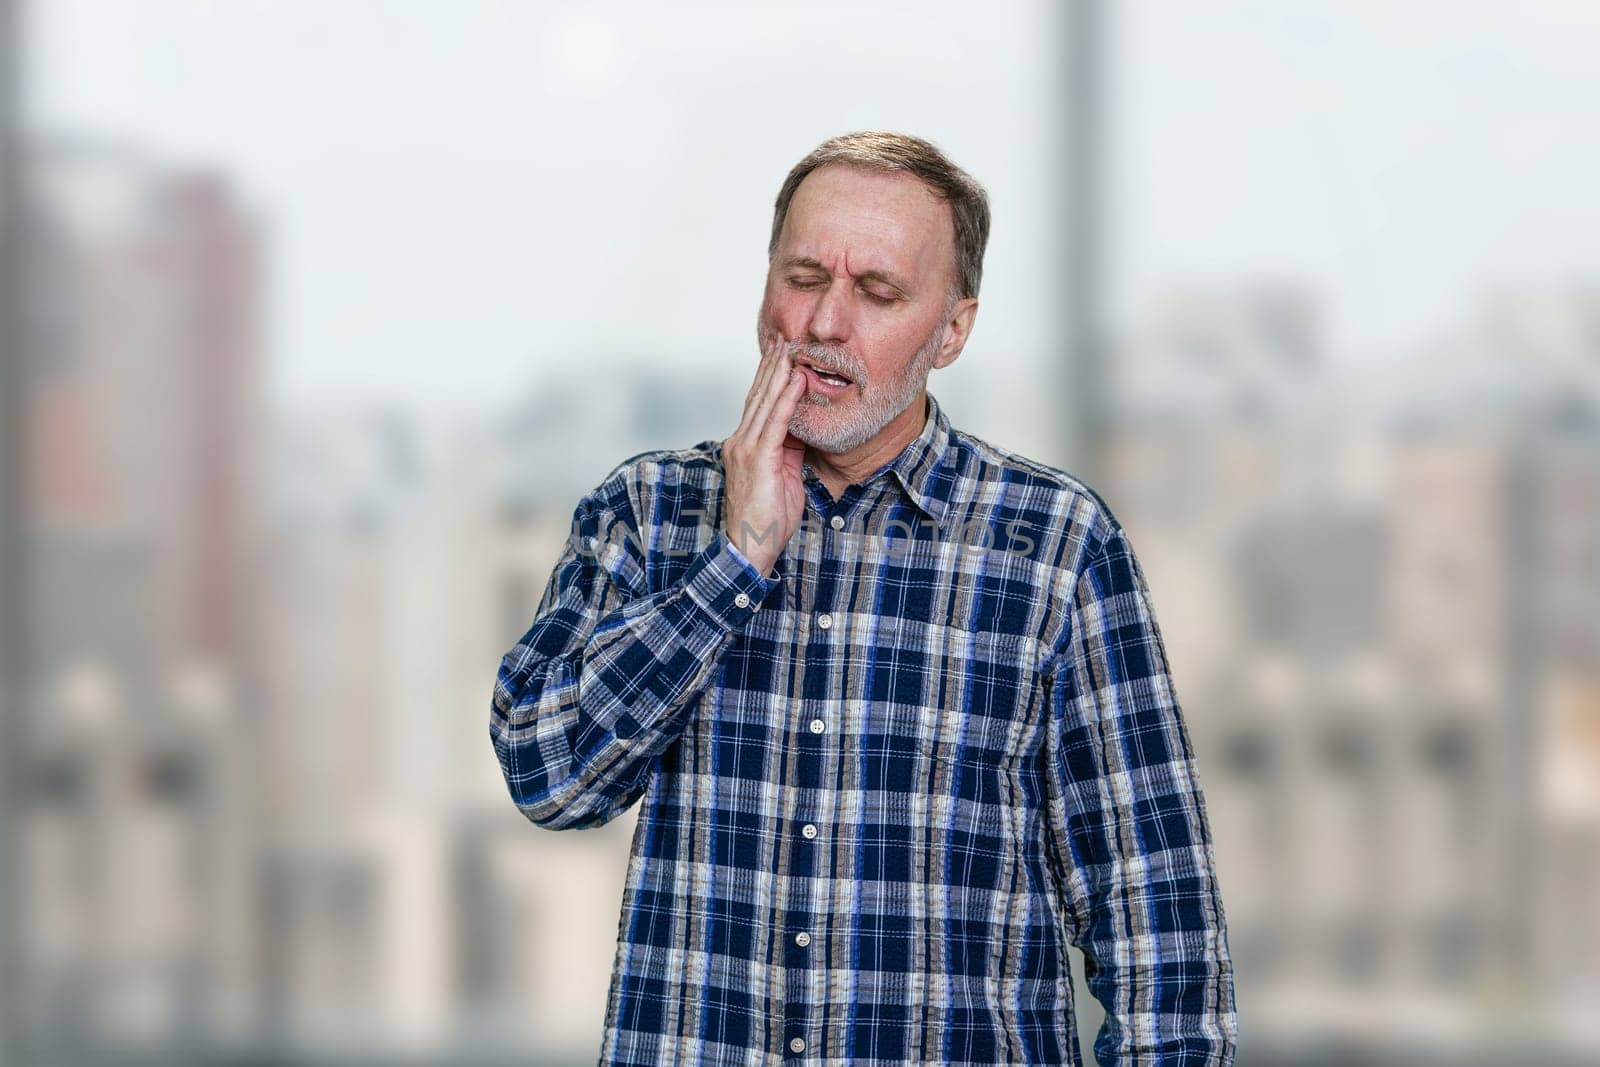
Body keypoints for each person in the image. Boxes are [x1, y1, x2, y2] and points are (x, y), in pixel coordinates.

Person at [489, 130, 1238, 1066]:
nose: (824, 324)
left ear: (951, 331)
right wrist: (736, 562)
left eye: (877, 293)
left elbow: (1159, 932)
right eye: (803, 277)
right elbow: (548, 777)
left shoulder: (1056, 548)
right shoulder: (645, 511)